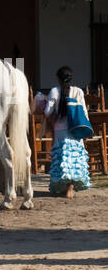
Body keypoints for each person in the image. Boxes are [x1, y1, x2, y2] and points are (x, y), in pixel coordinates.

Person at [39, 65, 93, 198]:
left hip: (60, 129)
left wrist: (44, 103)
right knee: (74, 157)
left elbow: (47, 112)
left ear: (58, 79)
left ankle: (63, 187)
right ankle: (71, 187)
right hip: (76, 128)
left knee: (62, 157)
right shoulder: (78, 91)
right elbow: (84, 112)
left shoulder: (54, 91)